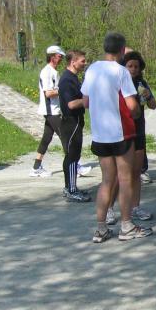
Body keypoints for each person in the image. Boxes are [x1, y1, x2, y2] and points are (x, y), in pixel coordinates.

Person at [82, 32, 152, 243]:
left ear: (105, 48)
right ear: (122, 50)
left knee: (106, 181)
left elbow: (85, 102)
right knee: (125, 179)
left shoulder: (92, 69)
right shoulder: (121, 71)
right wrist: (137, 114)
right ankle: (126, 226)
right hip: (122, 133)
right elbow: (132, 105)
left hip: (100, 134)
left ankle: (101, 228)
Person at [123, 51, 156, 221]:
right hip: (122, 131)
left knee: (136, 172)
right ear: (124, 67)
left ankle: (135, 207)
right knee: (120, 174)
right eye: (130, 66)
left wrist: (148, 96)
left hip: (139, 130)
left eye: (136, 66)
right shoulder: (119, 82)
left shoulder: (142, 83)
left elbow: (153, 105)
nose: (133, 69)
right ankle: (110, 210)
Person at [58, 49, 90, 202]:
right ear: (73, 62)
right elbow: (71, 104)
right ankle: (71, 190)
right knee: (72, 156)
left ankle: (70, 187)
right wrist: (88, 100)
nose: (85, 63)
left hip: (76, 121)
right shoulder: (67, 80)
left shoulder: (73, 78)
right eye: (82, 61)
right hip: (71, 122)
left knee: (73, 156)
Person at [30, 45, 65, 177]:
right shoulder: (47, 72)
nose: (61, 59)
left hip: (54, 109)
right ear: (52, 57)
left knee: (47, 137)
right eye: (59, 56)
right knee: (65, 136)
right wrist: (63, 90)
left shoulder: (53, 71)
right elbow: (48, 93)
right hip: (51, 110)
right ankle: (75, 165)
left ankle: (36, 167)